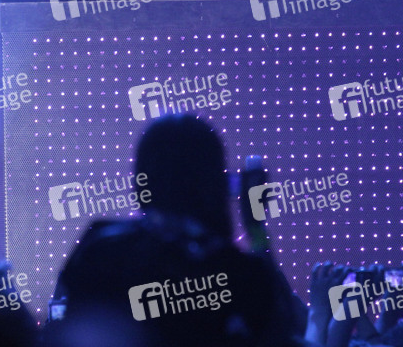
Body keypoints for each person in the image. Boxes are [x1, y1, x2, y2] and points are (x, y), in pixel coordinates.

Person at [45, 114, 301, 347]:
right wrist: (255, 226)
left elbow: (59, 324)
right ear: (214, 181)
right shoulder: (235, 269)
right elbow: (283, 330)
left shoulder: (101, 247)